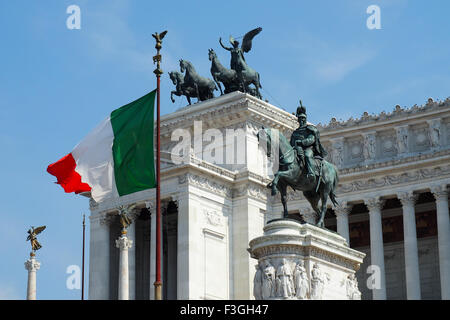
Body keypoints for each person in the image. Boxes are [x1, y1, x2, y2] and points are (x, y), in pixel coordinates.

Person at [290, 101, 327, 179]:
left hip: (308, 149)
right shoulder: (295, 133)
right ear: (298, 120)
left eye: (303, 118)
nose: (301, 120)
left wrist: (302, 142)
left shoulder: (310, 129)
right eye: (300, 118)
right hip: (297, 150)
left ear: (306, 118)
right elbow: (291, 143)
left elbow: (311, 139)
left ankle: (311, 172)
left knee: (307, 155)